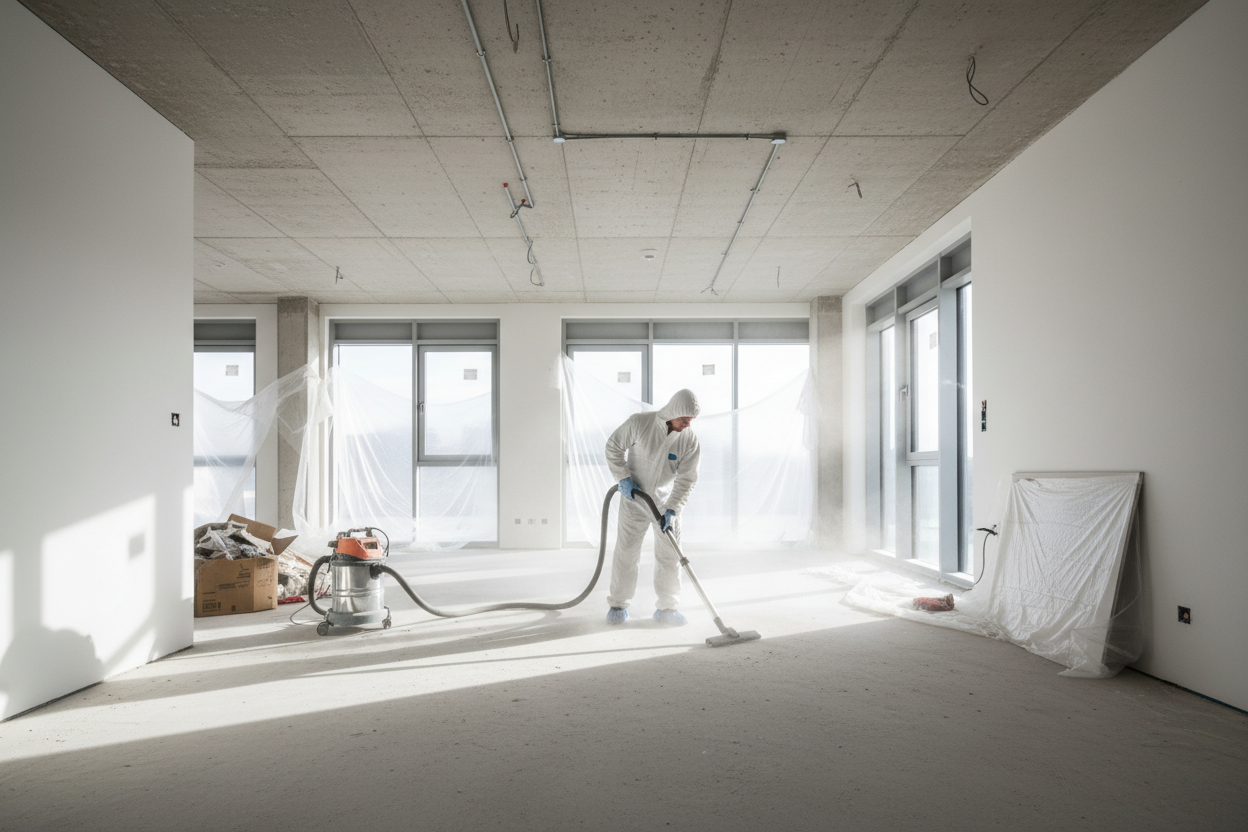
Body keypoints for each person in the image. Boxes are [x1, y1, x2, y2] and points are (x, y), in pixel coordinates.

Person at [604, 388, 701, 626]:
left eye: (691, 420)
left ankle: (667, 608)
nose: (688, 425)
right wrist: (623, 477)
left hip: (664, 506)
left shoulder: (689, 439)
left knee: (669, 556)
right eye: (684, 419)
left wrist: (673, 509)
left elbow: (687, 479)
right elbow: (614, 446)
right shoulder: (640, 423)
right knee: (626, 553)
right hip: (634, 500)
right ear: (674, 412)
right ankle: (618, 604)